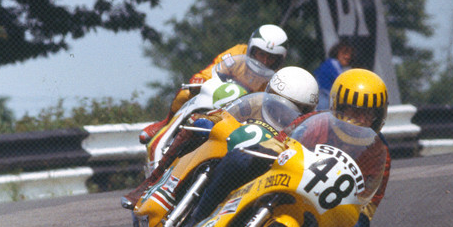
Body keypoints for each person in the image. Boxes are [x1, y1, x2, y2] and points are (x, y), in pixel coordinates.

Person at [171, 68, 391, 227]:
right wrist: (264, 151)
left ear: (379, 116)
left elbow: (367, 206)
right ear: (337, 105)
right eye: (352, 110)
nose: (359, 118)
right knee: (239, 160)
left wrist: (357, 225)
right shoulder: (315, 122)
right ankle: (196, 222)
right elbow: (280, 141)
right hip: (283, 184)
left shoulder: (380, 153)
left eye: (368, 113)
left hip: (326, 217)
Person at [122, 66, 319, 207]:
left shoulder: (304, 128)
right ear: (269, 92)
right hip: (231, 147)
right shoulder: (255, 103)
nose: (283, 110)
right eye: (277, 100)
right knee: (199, 124)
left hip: (261, 171)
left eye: (296, 108)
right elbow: (224, 113)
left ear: (307, 111)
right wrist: (207, 118)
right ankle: (153, 181)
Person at [138, 24, 290, 144]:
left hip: (241, 118)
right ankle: (166, 125)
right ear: (251, 49)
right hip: (217, 100)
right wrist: (200, 79)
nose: (264, 61)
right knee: (185, 94)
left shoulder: (278, 80)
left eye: (271, 58)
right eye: (261, 54)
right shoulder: (237, 52)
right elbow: (214, 69)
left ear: (279, 60)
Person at [313, 38, 356, 110]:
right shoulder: (333, 63)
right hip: (324, 98)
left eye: (350, 55)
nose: (348, 57)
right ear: (336, 52)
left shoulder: (332, 64)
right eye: (344, 53)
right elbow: (343, 82)